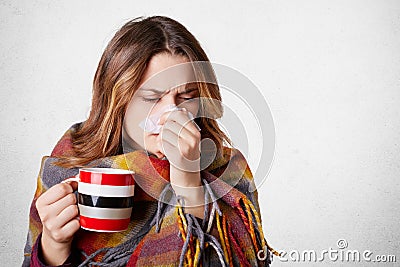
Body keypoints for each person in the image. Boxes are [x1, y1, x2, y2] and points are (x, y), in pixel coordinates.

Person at [23, 16, 278, 266]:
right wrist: (53, 247)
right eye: (152, 98)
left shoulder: (228, 170)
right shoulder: (65, 169)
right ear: (117, 102)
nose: (171, 115)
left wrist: (188, 181)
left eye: (186, 96)